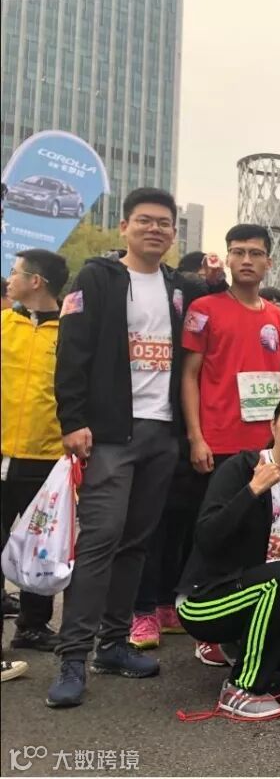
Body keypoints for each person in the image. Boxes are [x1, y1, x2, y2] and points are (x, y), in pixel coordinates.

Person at [49, 188, 226, 708]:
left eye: (165, 223)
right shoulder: (97, 279)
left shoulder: (178, 287)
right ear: (124, 226)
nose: (155, 229)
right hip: (110, 434)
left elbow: (216, 300)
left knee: (136, 543)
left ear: (174, 234)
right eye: (145, 221)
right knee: (100, 541)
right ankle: (72, 656)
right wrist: (73, 420)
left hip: (162, 433)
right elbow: (71, 351)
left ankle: (113, 644)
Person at [176, 392, 280, 720]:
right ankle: (241, 688)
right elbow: (207, 538)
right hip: (207, 600)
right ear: (274, 426)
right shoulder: (241, 468)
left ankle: (237, 646)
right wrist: (252, 491)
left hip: (265, 595)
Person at [180, 223, 280, 666]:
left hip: (265, 444)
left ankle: (244, 619)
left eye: (255, 253)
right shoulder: (204, 309)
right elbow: (189, 375)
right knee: (216, 534)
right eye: (238, 252)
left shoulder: (276, 316)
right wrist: (196, 437)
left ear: (269, 262)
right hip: (219, 440)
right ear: (227, 258)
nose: (247, 260)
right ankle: (205, 624)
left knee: (259, 534)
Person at [130, 251, 213, 650]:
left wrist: (195, 435)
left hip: (184, 428)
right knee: (148, 524)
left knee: (181, 523)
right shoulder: (117, 285)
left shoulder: (188, 293)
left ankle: (166, 603)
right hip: (141, 425)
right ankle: (141, 609)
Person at [1, 249, 69, 655]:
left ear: (36, 281)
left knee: (41, 544)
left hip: (47, 458)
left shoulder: (71, 332)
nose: (9, 279)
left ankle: (33, 625)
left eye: (14, 273)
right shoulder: (4, 324)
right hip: (1, 451)